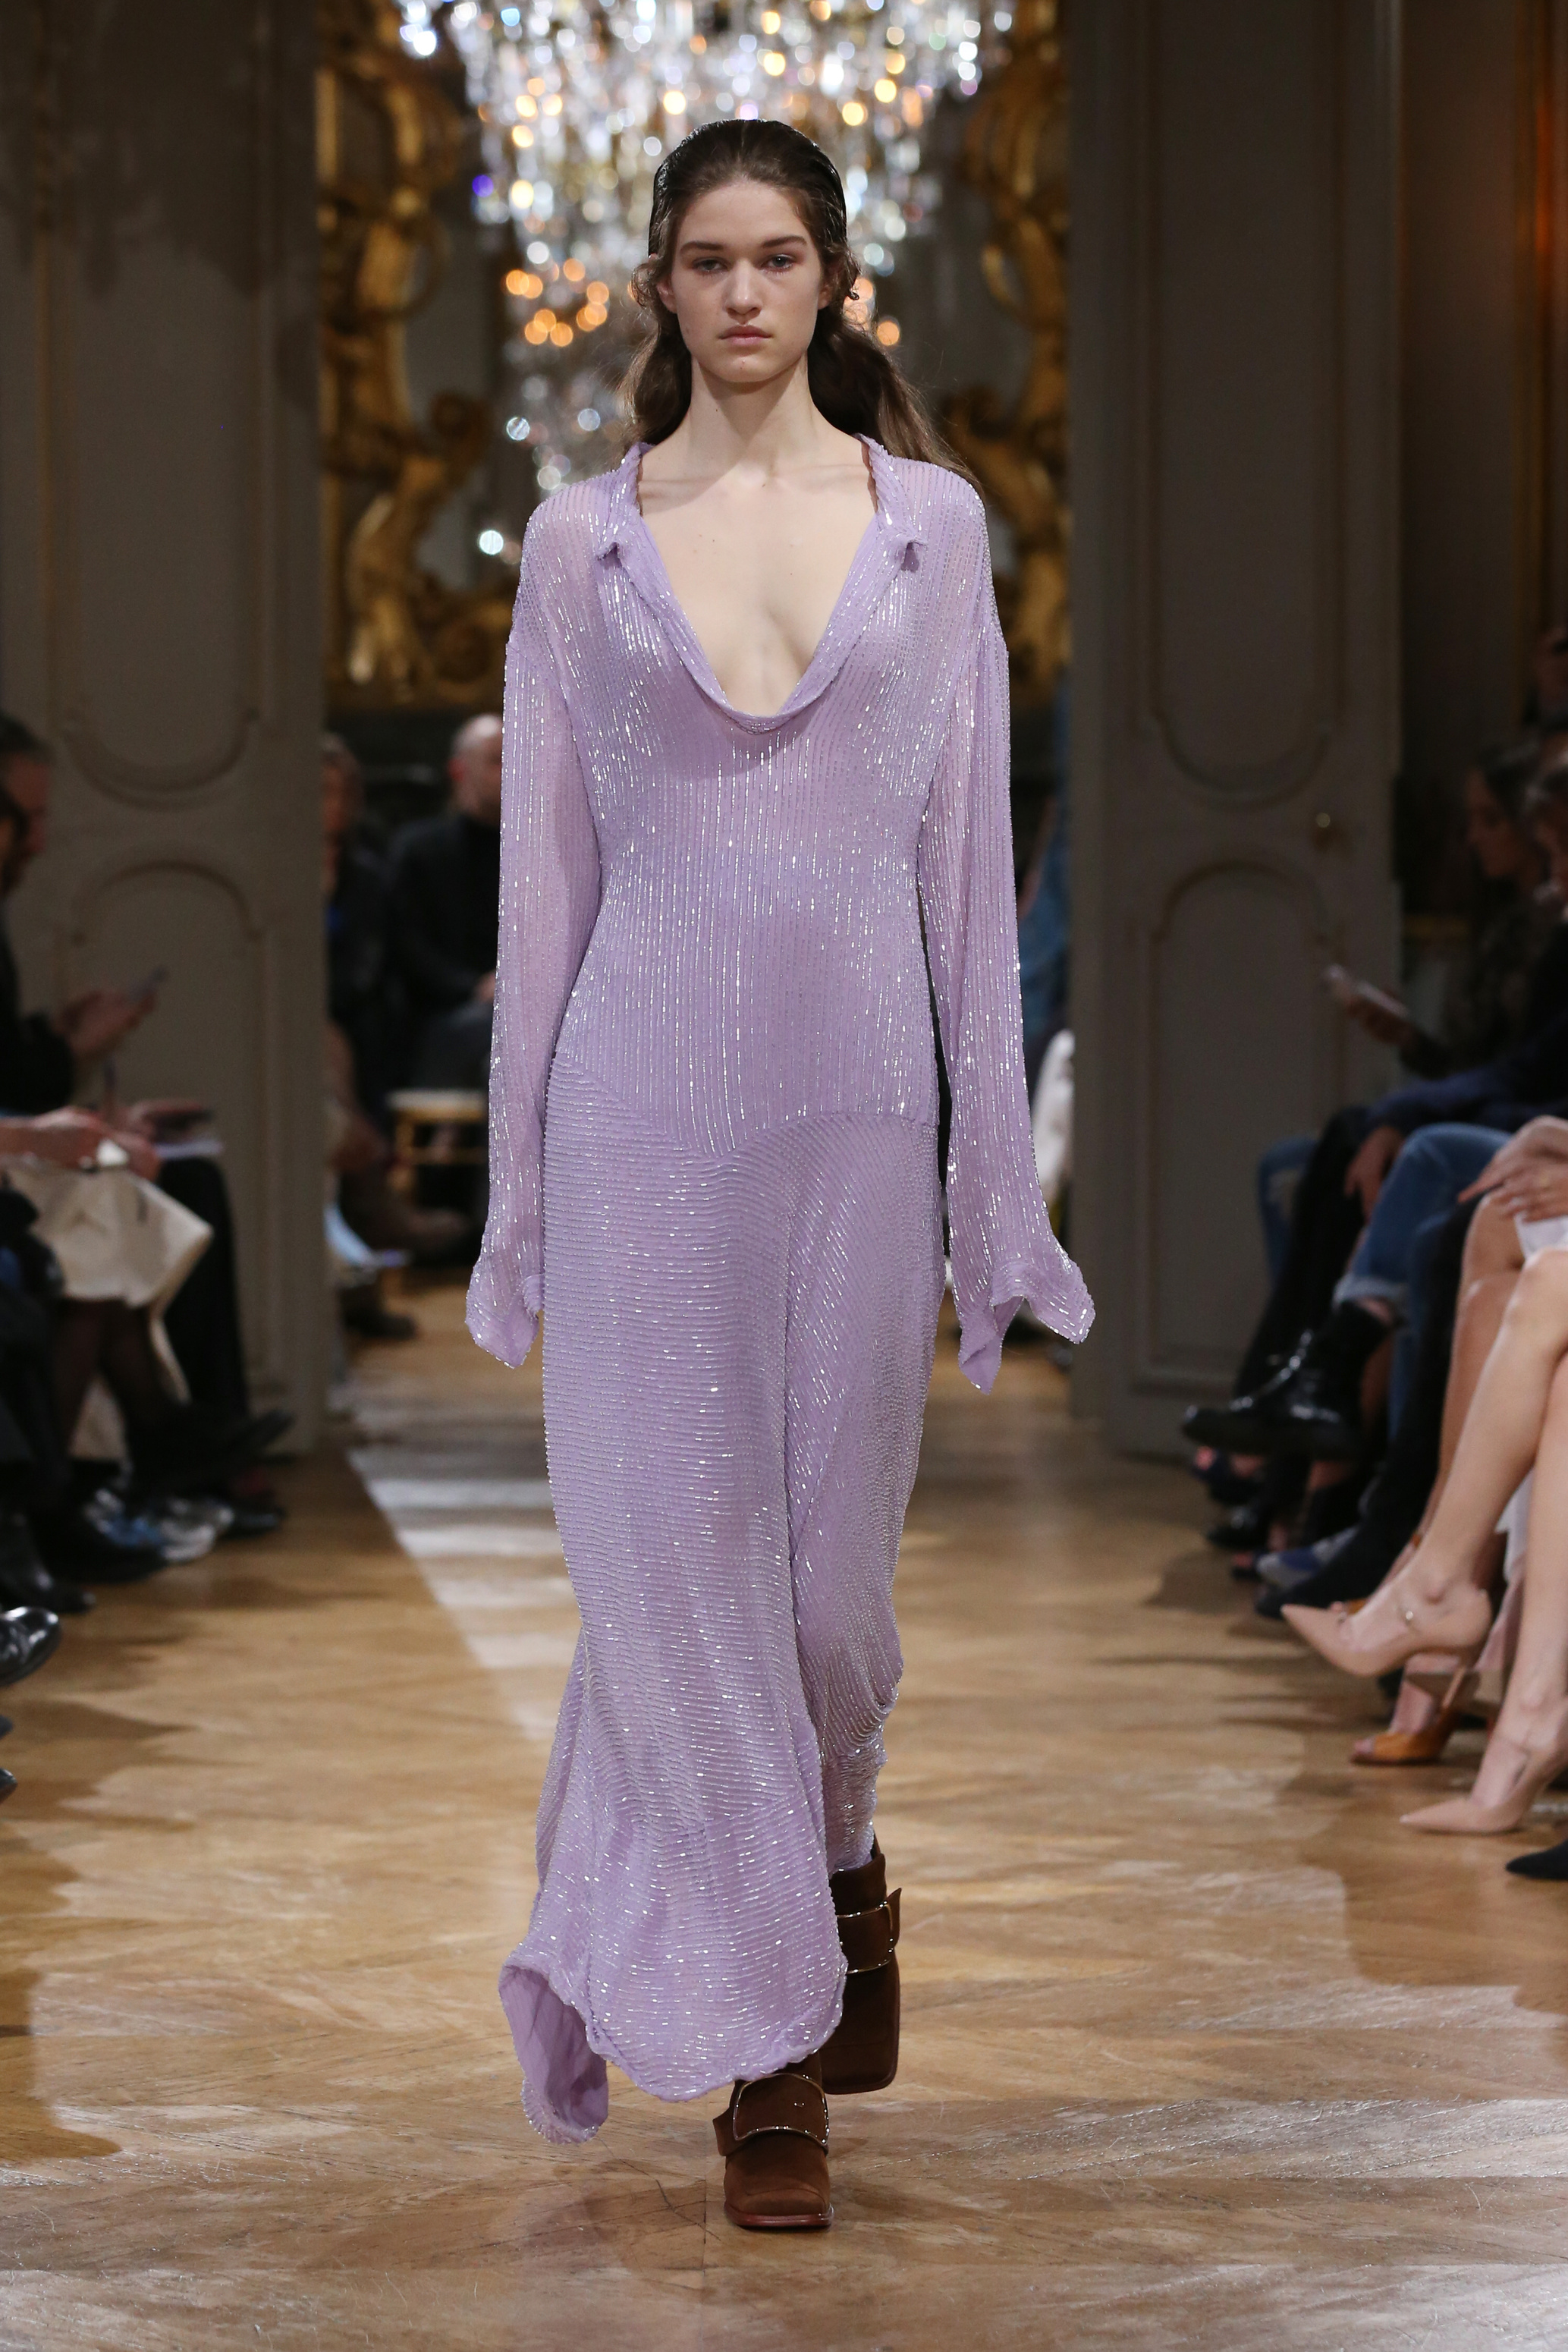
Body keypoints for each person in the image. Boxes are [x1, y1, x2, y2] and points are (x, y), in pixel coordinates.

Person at [466, 120, 1092, 2228]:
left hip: (856, 1107)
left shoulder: (932, 531)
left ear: (832, 281)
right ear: (659, 282)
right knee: (671, 1564)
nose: (744, 293)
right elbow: (542, 891)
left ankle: (833, 1858)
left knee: (826, 1599)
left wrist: (992, 1191)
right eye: (709, 259)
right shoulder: (581, 544)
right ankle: (772, 2050)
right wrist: (517, 1197)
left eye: (780, 258)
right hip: (639, 1102)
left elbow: (968, 880)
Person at [388, 715, 503, 1090]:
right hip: (442, 1017)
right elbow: (407, 947)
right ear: (458, 771)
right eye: (497, 760)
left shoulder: (537, 856)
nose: (510, 771)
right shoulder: (419, 850)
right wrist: (475, 986)